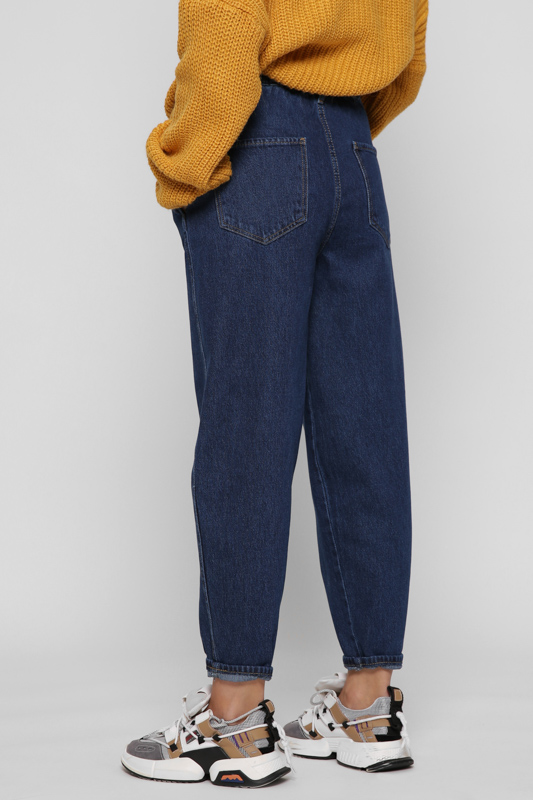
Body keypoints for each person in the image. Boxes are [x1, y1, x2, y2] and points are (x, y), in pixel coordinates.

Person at [121, 0, 429, 787]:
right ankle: (367, 705)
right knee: (363, 429)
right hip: (354, 155)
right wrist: (337, 131)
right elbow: (408, 49)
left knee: (246, 430)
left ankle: (233, 720)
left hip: (258, 141)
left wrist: (182, 159)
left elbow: (225, 32)